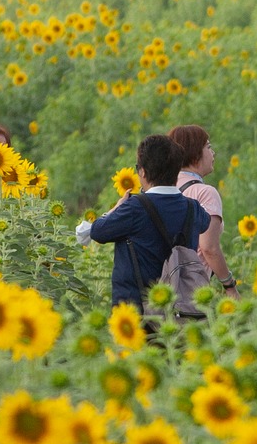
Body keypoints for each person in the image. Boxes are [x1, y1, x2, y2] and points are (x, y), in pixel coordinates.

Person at [78, 133, 214, 315]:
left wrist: (116, 209)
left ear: (142, 172)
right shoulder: (193, 208)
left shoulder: (134, 208)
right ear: (176, 171)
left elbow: (96, 232)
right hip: (180, 311)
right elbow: (205, 223)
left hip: (136, 312)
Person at [169, 124, 233, 290]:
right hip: (192, 288)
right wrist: (229, 285)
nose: (213, 153)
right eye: (208, 147)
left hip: (162, 285)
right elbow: (209, 247)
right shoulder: (204, 193)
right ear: (195, 153)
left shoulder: (163, 188)